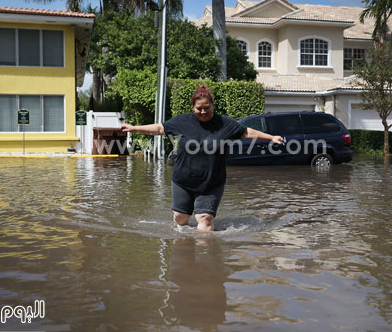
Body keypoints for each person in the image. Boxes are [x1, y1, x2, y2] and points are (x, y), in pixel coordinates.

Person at [119, 86, 284, 231]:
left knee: (205, 219)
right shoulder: (183, 121)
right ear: (193, 107)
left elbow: (247, 132)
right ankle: (183, 249)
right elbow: (160, 128)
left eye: (207, 108)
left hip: (212, 182)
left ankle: (205, 258)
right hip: (183, 180)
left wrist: (270, 138)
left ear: (212, 105)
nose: (203, 112)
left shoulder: (224, 123)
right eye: (199, 109)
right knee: (180, 218)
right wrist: (135, 128)